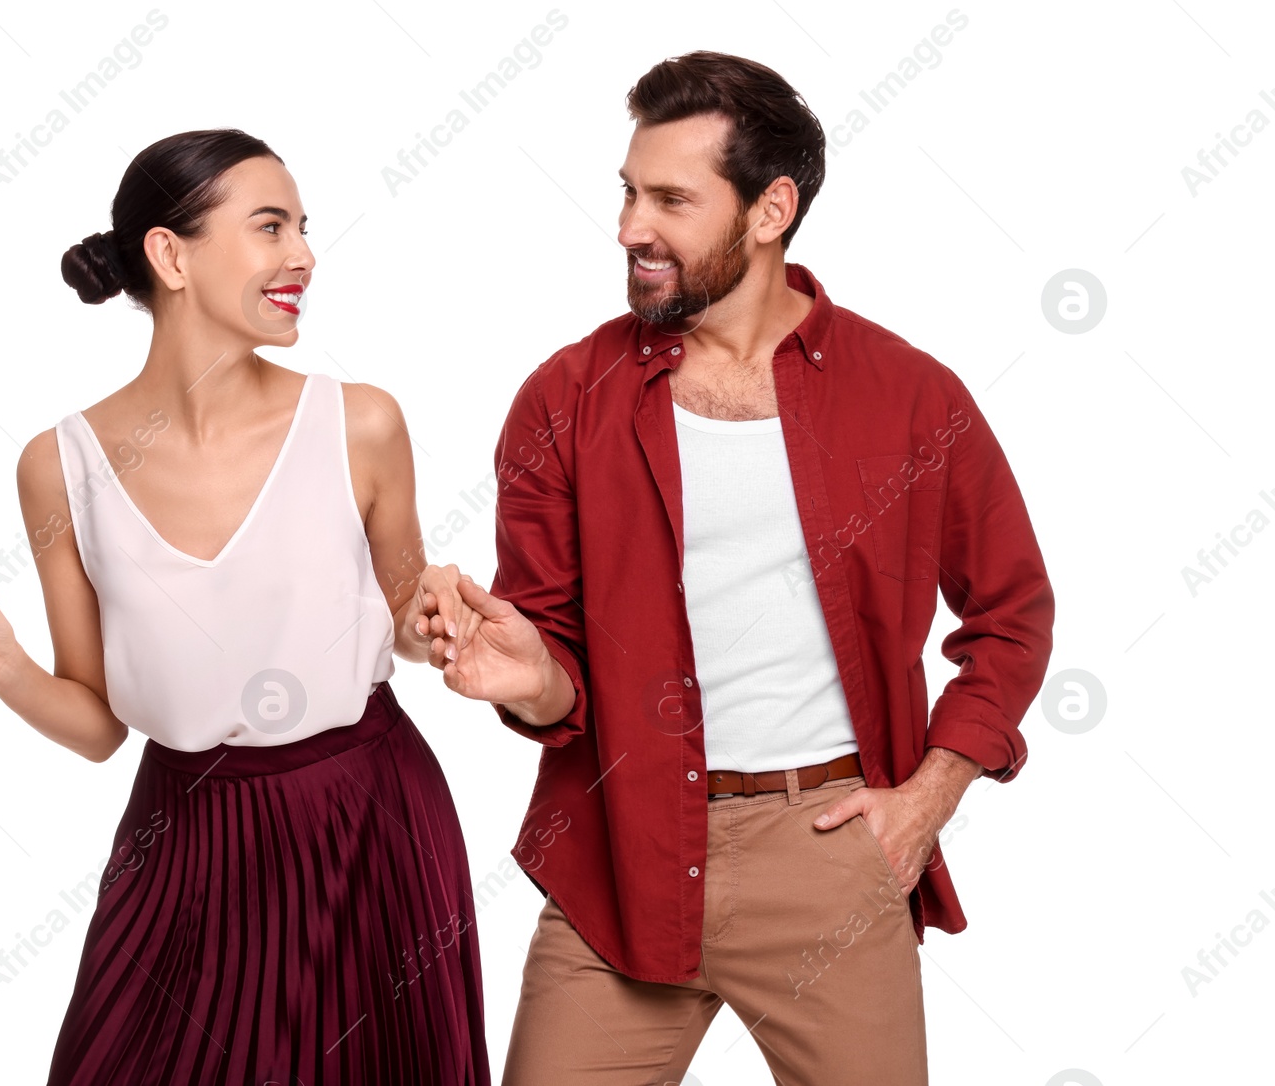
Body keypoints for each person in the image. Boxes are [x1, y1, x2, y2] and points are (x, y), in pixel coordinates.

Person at [421, 52, 1056, 1083]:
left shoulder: (909, 397)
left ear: (770, 210)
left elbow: (1013, 615)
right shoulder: (563, 398)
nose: (631, 226)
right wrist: (529, 679)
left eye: (670, 198)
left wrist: (929, 796)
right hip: (617, 858)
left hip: (828, 849)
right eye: (627, 192)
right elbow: (554, 667)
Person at [0, 128, 489, 1085]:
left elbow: (407, 626)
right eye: (270, 226)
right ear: (170, 255)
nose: (302, 253)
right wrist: (3, 667)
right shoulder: (61, 467)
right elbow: (97, 725)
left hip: (368, 822)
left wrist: (438, 619)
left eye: (302, 227)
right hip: (183, 842)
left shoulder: (362, 422)